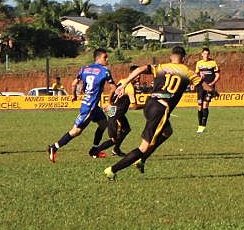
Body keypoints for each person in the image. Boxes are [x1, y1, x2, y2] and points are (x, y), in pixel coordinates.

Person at [104, 46, 211, 181]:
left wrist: (125, 83)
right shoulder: (188, 72)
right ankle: (112, 170)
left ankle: (142, 160)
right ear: (184, 58)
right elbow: (204, 86)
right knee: (144, 147)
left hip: (149, 104)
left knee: (167, 131)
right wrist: (213, 91)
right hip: (161, 109)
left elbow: (140, 69)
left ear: (171, 57)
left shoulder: (161, 67)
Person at [48, 48, 114, 162]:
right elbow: (113, 87)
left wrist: (74, 95)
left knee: (103, 124)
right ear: (98, 58)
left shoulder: (85, 69)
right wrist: (109, 102)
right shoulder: (104, 71)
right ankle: (54, 147)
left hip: (93, 106)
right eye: (105, 57)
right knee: (76, 131)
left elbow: (74, 84)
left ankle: (94, 150)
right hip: (90, 107)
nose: (107, 59)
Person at [90, 65, 141, 159]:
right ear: (131, 74)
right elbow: (134, 106)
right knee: (114, 139)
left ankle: (116, 149)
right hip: (116, 113)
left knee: (126, 129)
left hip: (115, 111)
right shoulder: (130, 88)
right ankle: (95, 151)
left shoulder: (122, 81)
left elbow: (113, 90)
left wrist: (109, 101)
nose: (139, 77)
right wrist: (147, 104)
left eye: (139, 74)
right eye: (137, 75)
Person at [195, 47, 220, 133]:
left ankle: (203, 126)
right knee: (200, 106)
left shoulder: (213, 63)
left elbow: (217, 75)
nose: (206, 55)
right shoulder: (199, 63)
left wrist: (212, 83)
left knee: (205, 104)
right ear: (202, 54)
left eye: (207, 54)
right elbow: (196, 75)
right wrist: (200, 76)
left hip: (209, 87)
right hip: (200, 87)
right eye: (205, 54)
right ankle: (199, 125)